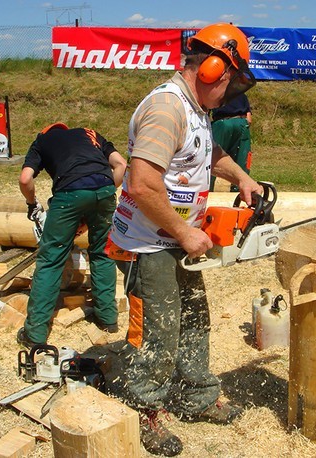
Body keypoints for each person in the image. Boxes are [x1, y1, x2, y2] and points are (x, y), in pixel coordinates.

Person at [105, 23, 262, 457]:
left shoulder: (195, 110)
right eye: (229, 81)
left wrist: (242, 178)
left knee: (193, 317)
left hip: (173, 239)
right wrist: (184, 231)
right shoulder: (166, 108)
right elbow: (140, 184)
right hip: (147, 241)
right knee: (159, 329)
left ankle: (196, 395)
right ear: (212, 69)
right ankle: (145, 410)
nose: (229, 92)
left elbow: (205, 153)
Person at [16, 123, 126, 347]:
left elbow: (25, 179)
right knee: (102, 253)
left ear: (46, 131)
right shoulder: (90, 133)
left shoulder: (41, 142)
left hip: (69, 193)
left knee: (50, 260)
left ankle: (35, 333)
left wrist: (32, 204)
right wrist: (100, 196)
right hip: (105, 188)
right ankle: (108, 319)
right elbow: (121, 165)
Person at [209, 92, 253, 192]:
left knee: (211, 158)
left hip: (222, 124)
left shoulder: (216, 92)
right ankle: (240, 192)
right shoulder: (242, 94)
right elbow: (249, 119)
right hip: (242, 124)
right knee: (242, 161)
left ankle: (206, 192)